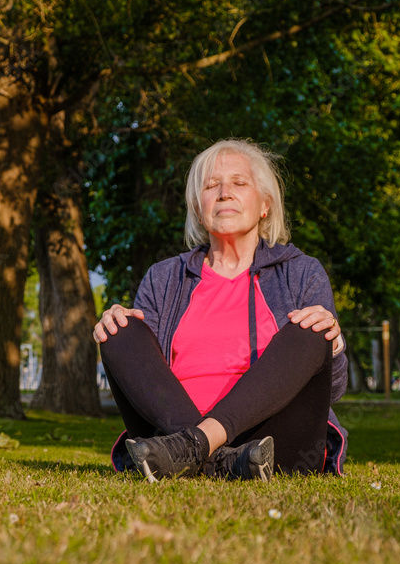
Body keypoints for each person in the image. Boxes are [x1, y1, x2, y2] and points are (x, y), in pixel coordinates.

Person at [93, 139, 348, 481]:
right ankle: (217, 457)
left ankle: (196, 449)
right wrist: (117, 325)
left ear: (265, 205)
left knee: (313, 327)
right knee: (116, 328)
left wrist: (332, 344)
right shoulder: (164, 277)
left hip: (272, 440)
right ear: (198, 208)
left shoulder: (302, 272)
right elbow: (143, 381)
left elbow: (333, 389)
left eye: (239, 183)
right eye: (211, 186)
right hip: (172, 429)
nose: (224, 192)